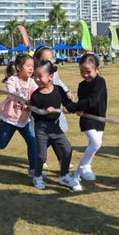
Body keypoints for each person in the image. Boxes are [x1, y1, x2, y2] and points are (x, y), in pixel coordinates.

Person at [0, 54, 38, 177]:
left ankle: (33, 169)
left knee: (32, 143)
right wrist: (21, 98)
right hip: (8, 119)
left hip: (23, 120)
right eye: (28, 66)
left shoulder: (32, 82)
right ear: (19, 67)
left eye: (33, 66)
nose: (31, 69)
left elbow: (37, 95)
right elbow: (12, 93)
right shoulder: (12, 80)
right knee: (2, 144)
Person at [31, 60, 82, 191]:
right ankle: (37, 176)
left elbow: (68, 104)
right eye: (35, 76)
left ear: (51, 76)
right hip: (41, 128)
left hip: (55, 127)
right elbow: (34, 114)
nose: (37, 79)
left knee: (67, 149)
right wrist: (44, 112)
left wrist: (74, 109)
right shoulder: (35, 95)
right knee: (42, 155)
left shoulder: (59, 90)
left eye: (40, 76)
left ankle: (64, 175)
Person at [65, 54, 107, 182]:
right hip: (87, 119)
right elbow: (83, 101)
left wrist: (74, 107)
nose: (85, 75)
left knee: (94, 145)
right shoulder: (81, 85)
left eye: (88, 72)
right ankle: (84, 166)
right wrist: (77, 109)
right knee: (96, 142)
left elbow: (92, 101)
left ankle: (76, 175)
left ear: (97, 69)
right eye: (82, 72)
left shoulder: (100, 82)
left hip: (99, 119)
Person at [33, 46, 74, 170]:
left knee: (57, 134)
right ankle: (40, 159)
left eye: (51, 58)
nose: (49, 61)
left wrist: (66, 91)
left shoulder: (53, 72)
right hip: (40, 110)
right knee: (42, 137)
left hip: (54, 108)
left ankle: (62, 160)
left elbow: (59, 83)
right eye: (45, 59)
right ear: (37, 60)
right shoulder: (36, 75)